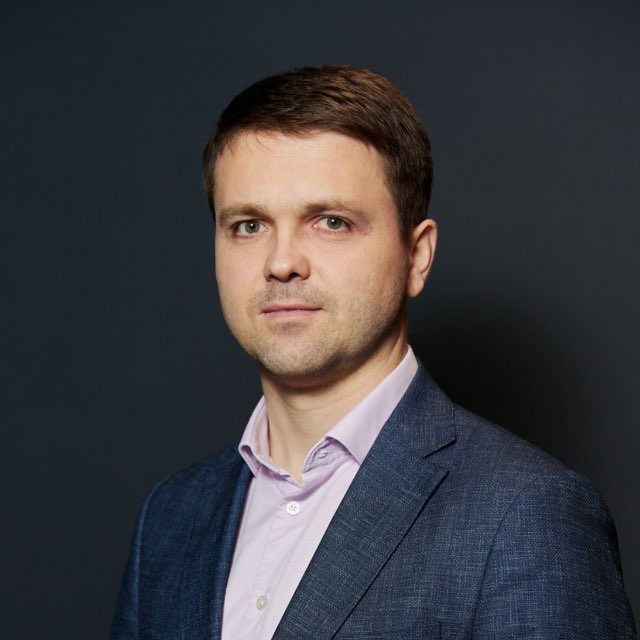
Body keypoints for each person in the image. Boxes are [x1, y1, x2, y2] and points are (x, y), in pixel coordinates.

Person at [111, 65, 636, 640]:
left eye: (331, 222)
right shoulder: (169, 517)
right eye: (248, 225)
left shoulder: (527, 513)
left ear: (417, 256)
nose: (281, 262)